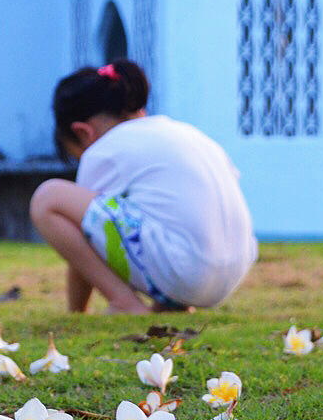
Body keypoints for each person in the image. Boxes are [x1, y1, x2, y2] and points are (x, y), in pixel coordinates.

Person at [29, 60, 257, 313]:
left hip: (187, 271)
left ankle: (125, 303)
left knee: (47, 198)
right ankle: (171, 302)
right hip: (232, 273)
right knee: (151, 213)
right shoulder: (185, 133)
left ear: (83, 133)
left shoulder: (104, 150)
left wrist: (77, 311)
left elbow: (85, 235)